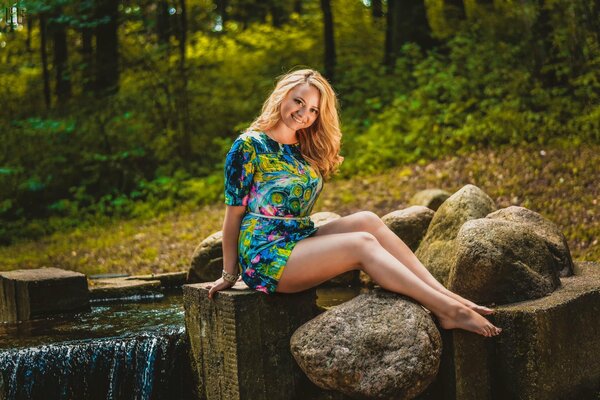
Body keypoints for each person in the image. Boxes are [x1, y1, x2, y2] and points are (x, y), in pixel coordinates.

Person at [208, 69, 501, 337]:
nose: (304, 114)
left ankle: (448, 296)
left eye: (313, 110)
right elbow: (233, 216)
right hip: (265, 254)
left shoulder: (302, 147)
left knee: (367, 220)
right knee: (360, 243)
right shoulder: (248, 146)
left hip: (298, 236)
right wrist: (229, 274)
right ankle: (448, 311)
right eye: (299, 101)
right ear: (282, 94)